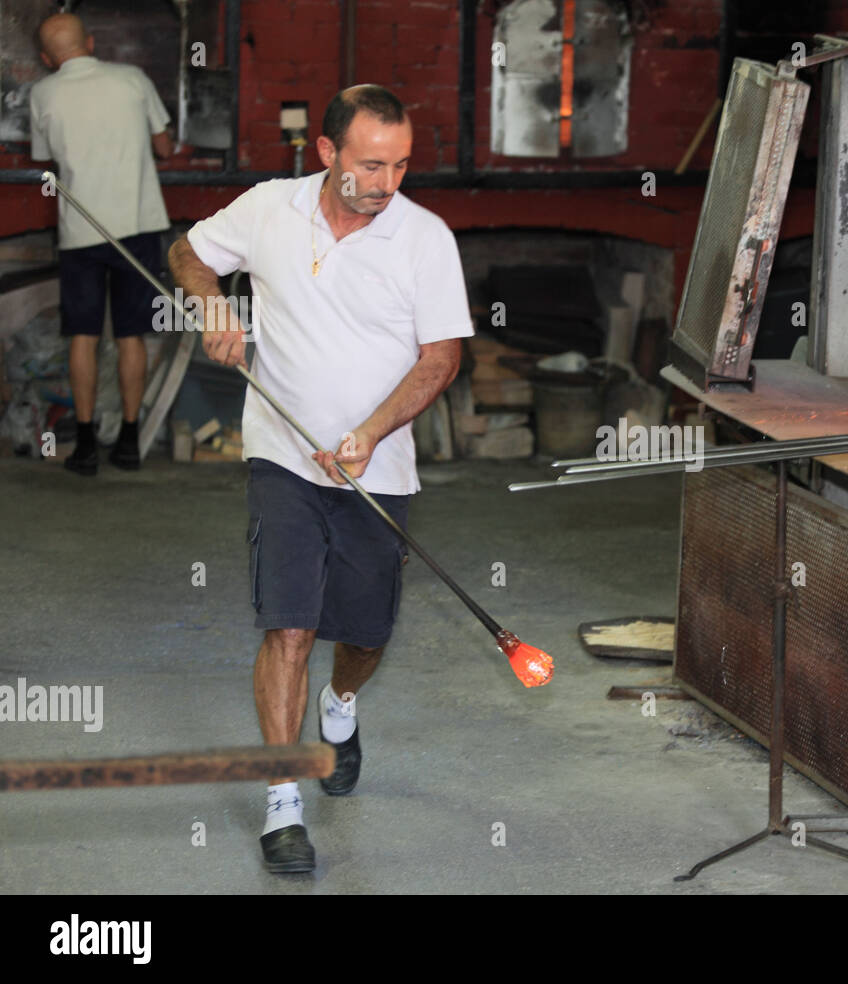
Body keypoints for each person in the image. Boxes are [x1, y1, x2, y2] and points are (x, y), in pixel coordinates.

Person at [168, 85, 471, 873]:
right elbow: (189, 255)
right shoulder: (270, 208)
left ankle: (342, 707)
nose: (387, 182)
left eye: (401, 165)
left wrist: (370, 433)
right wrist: (212, 308)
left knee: (363, 633)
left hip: (379, 467)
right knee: (290, 625)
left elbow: (442, 356)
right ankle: (282, 802)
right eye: (372, 164)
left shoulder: (423, 238)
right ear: (327, 153)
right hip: (281, 457)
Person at [28, 12, 174, 475]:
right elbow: (166, 146)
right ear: (90, 42)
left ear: (48, 58)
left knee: (83, 336)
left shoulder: (43, 92)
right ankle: (130, 442)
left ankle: (86, 446)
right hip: (137, 225)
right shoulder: (133, 79)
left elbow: (43, 156)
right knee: (132, 334)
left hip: (80, 231)